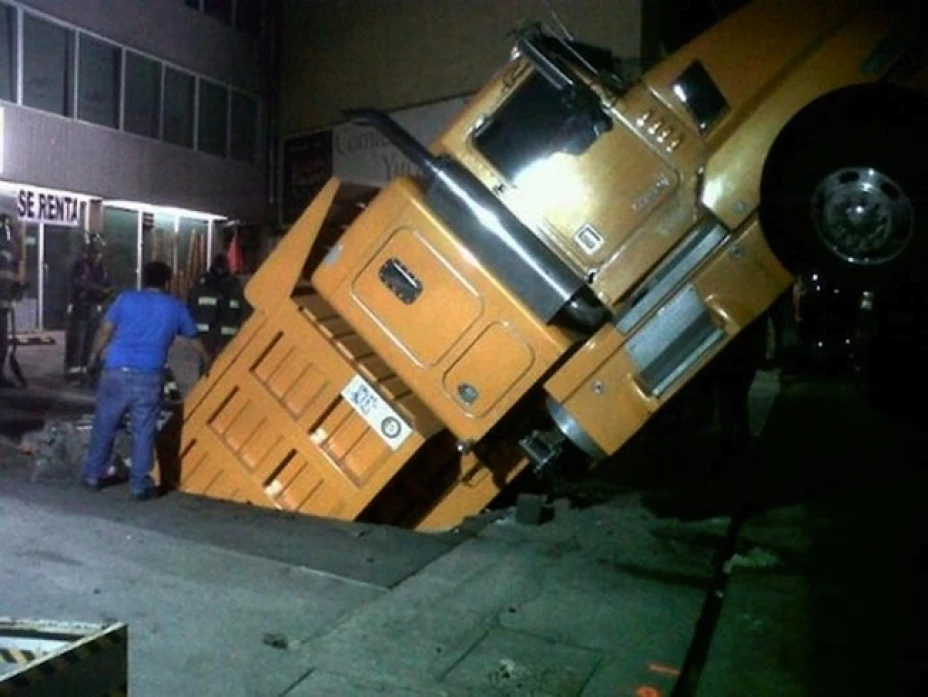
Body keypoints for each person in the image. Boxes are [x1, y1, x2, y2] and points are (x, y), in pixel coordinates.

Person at [81, 261, 212, 500]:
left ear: (145, 279)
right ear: (167, 281)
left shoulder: (126, 299)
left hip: (116, 371)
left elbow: (105, 330)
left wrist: (93, 357)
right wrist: (207, 358)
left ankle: (93, 475)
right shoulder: (175, 307)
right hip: (149, 375)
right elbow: (193, 337)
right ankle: (139, 485)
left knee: (105, 425)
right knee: (144, 431)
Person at [65, 234, 114, 383]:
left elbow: (110, 284)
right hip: (82, 307)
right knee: (77, 341)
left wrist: (106, 292)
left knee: (92, 341)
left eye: (98, 251)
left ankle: (88, 370)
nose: (96, 254)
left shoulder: (103, 268)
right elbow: (80, 283)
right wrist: (99, 289)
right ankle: (73, 373)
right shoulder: (81, 265)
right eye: (94, 251)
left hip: (95, 308)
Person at [187, 252, 247, 370]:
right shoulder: (234, 286)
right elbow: (243, 313)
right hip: (224, 338)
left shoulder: (200, 285)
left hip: (208, 338)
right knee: (224, 370)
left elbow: (191, 308)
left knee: (208, 369)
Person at [0, 214, 22, 388]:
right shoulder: (5, 247)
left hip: (4, 303)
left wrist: (15, 289)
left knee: (3, 342)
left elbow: (9, 275)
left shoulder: (9, 249)